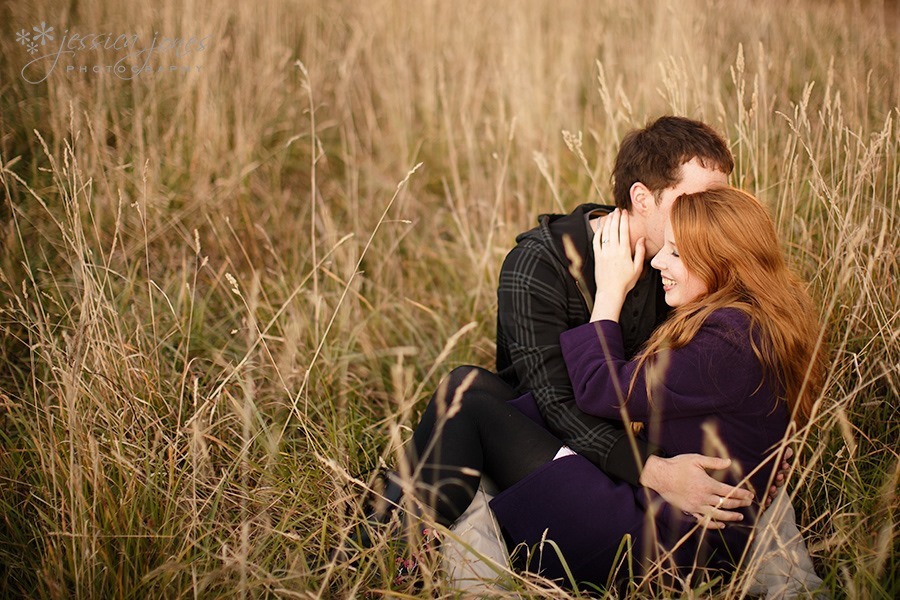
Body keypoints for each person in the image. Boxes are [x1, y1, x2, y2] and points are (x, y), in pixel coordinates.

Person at [388, 187, 823, 586]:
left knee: (468, 403)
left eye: (675, 252)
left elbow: (600, 389)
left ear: (720, 261)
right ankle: (393, 531)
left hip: (654, 544)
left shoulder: (728, 340)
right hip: (663, 511)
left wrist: (609, 294)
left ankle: (390, 548)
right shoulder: (746, 320)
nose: (657, 263)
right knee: (472, 384)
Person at [496, 115, 772, 519]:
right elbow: (552, 406)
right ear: (642, 198)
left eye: (720, 199)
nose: (713, 214)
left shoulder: (691, 268)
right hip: (548, 444)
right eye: (697, 200)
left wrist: (768, 452)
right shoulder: (537, 266)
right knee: (467, 390)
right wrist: (655, 470)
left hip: (646, 451)